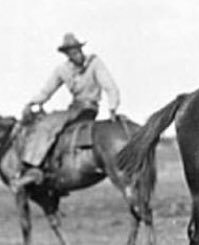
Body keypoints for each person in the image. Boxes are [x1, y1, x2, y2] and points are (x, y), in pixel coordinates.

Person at [11, 33, 120, 191]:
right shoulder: (63, 70)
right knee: (44, 121)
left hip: (88, 108)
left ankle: (32, 166)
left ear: (81, 49)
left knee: (47, 125)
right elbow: (46, 91)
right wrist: (33, 102)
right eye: (71, 52)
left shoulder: (95, 63)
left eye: (76, 50)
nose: (75, 54)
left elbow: (110, 85)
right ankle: (41, 164)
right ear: (67, 54)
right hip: (75, 107)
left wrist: (112, 107)